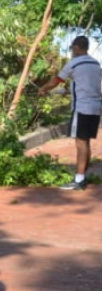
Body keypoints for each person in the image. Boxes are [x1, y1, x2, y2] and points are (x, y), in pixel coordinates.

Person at [38, 35, 101, 190]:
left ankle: (78, 181)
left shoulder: (73, 64)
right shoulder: (96, 64)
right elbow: (86, 85)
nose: (72, 50)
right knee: (85, 142)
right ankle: (83, 176)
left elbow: (56, 81)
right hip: (95, 108)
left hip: (82, 108)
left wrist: (43, 89)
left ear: (76, 47)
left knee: (80, 143)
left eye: (73, 47)